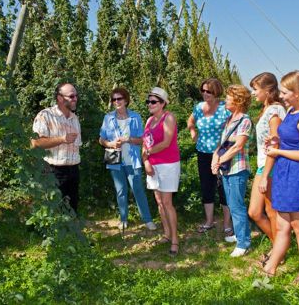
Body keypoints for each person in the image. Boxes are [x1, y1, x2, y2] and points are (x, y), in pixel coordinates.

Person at [263, 71, 299, 283]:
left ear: (298, 93)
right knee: (282, 226)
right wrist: (275, 138)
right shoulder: (291, 111)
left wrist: (277, 152)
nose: (282, 95)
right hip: (285, 174)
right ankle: (270, 268)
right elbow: (289, 139)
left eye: (286, 92)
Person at [99, 87, 156, 231]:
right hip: (115, 161)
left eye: (119, 99)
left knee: (138, 190)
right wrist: (111, 144)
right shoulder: (108, 118)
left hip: (133, 160)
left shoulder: (135, 117)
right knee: (120, 191)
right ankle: (123, 219)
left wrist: (127, 139)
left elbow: (142, 139)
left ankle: (147, 220)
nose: (116, 102)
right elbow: (101, 139)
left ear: (126, 100)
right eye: (114, 99)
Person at [248, 73, 286, 261]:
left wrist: (266, 174)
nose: (253, 93)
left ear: (268, 90)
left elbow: (275, 143)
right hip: (263, 166)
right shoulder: (267, 109)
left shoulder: (275, 111)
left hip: (271, 167)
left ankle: (277, 254)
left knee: (271, 212)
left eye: (256, 89)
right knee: (255, 212)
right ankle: (277, 247)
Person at [187, 78, 232, 236]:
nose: (205, 94)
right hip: (203, 153)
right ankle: (209, 221)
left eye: (209, 91)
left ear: (217, 92)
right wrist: (193, 131)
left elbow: (233, 130)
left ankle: (227, 224)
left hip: (222, 154)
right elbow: (190, 121)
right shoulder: (199, 107)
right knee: (207, 186)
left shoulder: (225, 108)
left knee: (223, 188)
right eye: (203, 90)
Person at [212, 84, 253, 257]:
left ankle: (244, 243)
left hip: (237, 169)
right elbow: (221, 144)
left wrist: (220, 160)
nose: (225, 100)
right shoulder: (229, 119)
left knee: (237, 205)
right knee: (231, 203)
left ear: (238, 100)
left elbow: (238, 146)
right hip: (226, 169)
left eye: (228, 97)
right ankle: (238, 234)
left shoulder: (245, 120)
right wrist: (215, 158)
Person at [32, 83, 82, 213]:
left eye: (76, 96)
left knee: (72, 208)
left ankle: (72, 232)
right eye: (71, 96)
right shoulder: (45, 115)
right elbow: (36, 142)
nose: (75, 99)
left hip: (73, 169)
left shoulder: (74, 118)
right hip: (53, 171)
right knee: (54, 210)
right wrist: (62, 139)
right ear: (60, 98)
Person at [143, 87, 180, 256]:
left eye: (153, 101)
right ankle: (166, 233)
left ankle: (175, 240)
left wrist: (148, 153)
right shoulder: (149, 121)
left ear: (163, 103)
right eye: (148, 101)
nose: (149, 104)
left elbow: (166, 142)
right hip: (153, 165)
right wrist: (146, 162)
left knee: (167, 202)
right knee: (159, 201)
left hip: (168, 165)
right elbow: (145, 143)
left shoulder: (169, 117)